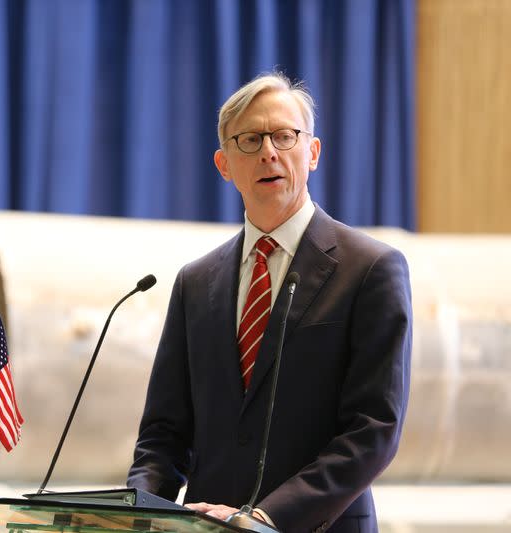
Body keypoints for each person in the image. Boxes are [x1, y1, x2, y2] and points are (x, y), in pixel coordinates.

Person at [126, 72, 412, 533]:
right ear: (224, 164)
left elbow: (373, 430)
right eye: (250, 139)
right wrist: (136, 513)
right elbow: (164, 434)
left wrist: (263, 519)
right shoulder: (195, 282)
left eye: (284, 135)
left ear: (313, 152)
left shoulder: (371, 269)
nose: (268, 151)